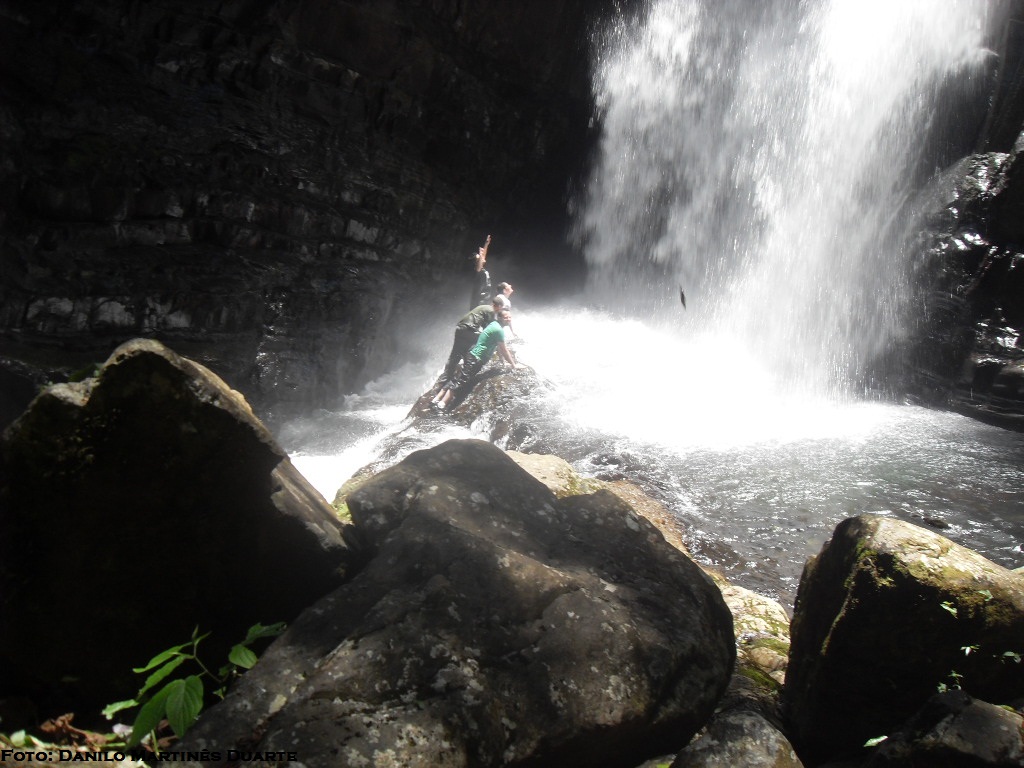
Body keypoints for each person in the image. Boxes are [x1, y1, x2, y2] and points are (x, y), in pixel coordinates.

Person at [432, 309, 516, 411]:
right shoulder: (499, 330)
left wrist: (502, 362)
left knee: (458, 378)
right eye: (506, 317)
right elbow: (504, 350)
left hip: (472, 355)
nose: (508, 319)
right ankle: (441, 404)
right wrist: (513, 365)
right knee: (461, 381)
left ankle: (436, 399)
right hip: (476, 358)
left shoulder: (494, 324)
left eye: (510, 317)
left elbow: (498, 347)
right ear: (500, 318)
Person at [439, 296, 505, 386]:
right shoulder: (491, 311)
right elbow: (489, 330)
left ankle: (444, 380)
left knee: (455, 355)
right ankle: (467, 371)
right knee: (477, 346)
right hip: (469, 329)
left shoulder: (482, 307)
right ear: (495, 305)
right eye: (500, 307)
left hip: (460, 328)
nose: (499, 310)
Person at [470, 234, 492, 309]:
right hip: (478, 302)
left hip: (484, 299)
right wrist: (480, 254)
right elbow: (479, 264)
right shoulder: (477, 271)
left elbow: (483, 256)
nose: (482, 257)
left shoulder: (481, 269)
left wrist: (486, 244)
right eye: (480, 257)